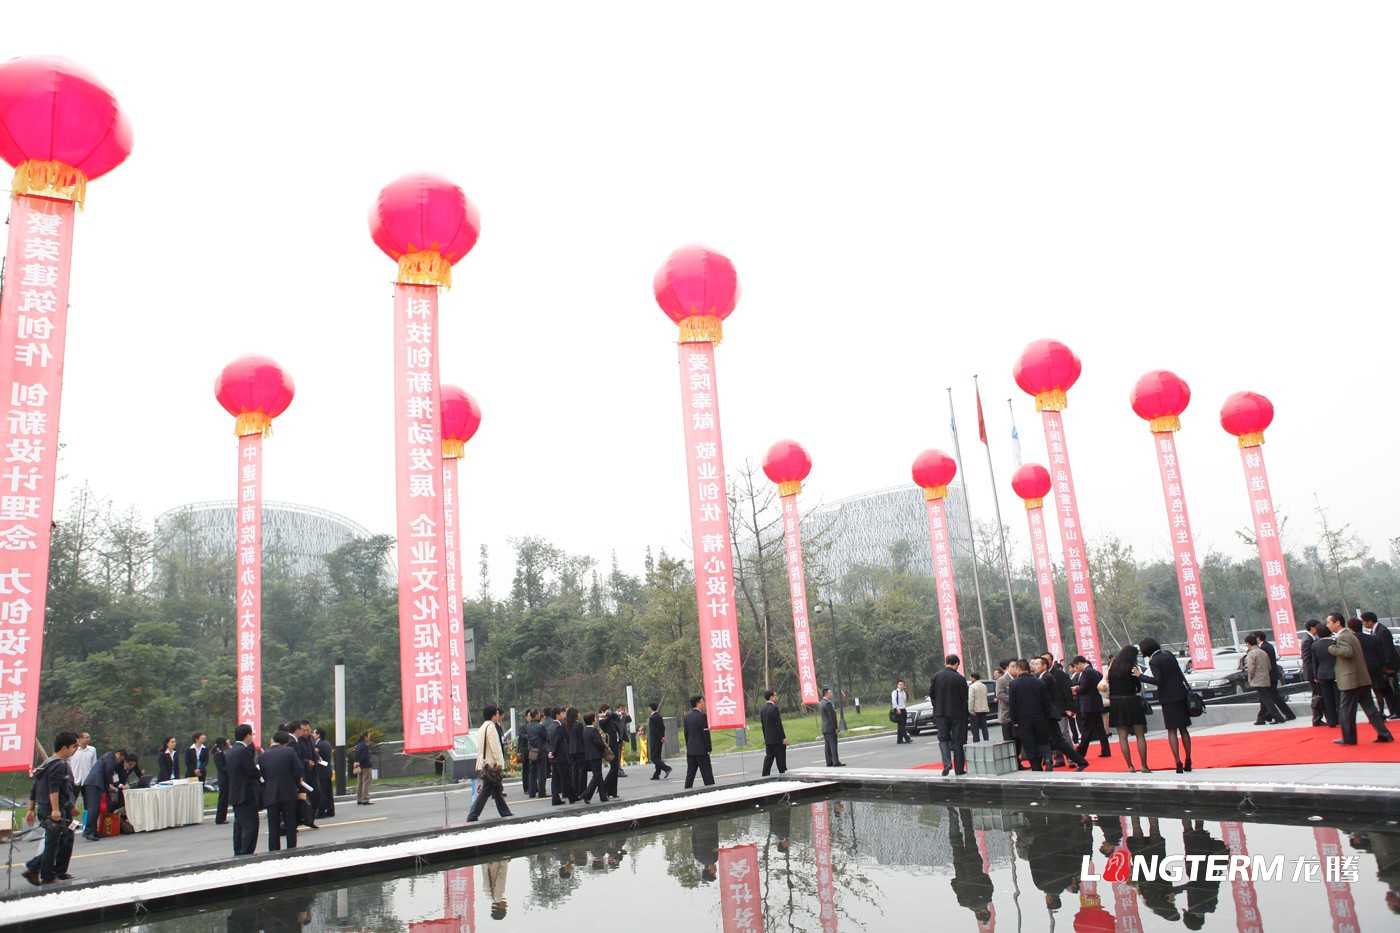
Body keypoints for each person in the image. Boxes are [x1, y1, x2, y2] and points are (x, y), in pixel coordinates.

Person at [22, 731, 80, 886]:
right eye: (74, 746)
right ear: (64, 748)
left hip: (54, 808)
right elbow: (53, 789)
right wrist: (56, 810)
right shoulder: (58, 765)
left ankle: (45, 870)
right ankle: (46, 875)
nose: (76, 750)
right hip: (53, 810)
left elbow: (35, 788)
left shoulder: (47, 764)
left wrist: (30, 809)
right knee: (54, 843)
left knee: (63, 840)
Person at [1329, 615, 1395, 745]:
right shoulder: (1351, 635)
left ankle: (1349, 738)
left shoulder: (1343, 636)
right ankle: (1384, 734)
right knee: (1370, 709)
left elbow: (1347, 652)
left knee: (1346, 711)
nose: (1327, 625)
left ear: (1337, 623)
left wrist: (1331, 648)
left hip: (1351, 680)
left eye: (1329, 622)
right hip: (1361, 678)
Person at [1142, 637, 1192, 773]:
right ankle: (1188, 759)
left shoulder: (1154, 661)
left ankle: (1178, 762)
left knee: (1172, 730)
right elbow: (1179, 673)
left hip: (1168, 698)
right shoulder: (1168, 655)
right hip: (1180, 694)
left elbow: (1158, 680)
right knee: (1183, 729)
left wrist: (1140, 676)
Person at [1107, 645, 1151, 772]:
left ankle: (1130, 766)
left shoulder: (1112, 668)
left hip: (1116, 703)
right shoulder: (1132, 668)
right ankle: (1144, 765)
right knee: (1140, 735)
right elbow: (1137, 687)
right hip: (1131, 701)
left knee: (1122, 736)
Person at [947, 806, 994, 924]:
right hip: (960, 867)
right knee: (955, 840)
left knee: (969, 834)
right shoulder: (963, 902)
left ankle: (964, 810)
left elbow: (987, 880)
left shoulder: (987, 898)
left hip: (974, 864)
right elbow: (954, 883)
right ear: (976, 915)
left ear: (986, 912)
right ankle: (952, 816)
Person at [468, 706, 515, 822]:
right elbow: (496, 747)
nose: (499, 716)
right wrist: (499, 762)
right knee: (487, 790)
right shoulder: (491, 728)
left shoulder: (482, 728)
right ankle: (472, 815)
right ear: (493, 715)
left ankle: (505, 812)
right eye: (497, 714)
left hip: (484, 762)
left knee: (497, 789)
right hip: (491, 763)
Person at [261, 731, 303, 851]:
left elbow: (263, 774)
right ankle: (291, 849)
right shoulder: (289, 751)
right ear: (285, 743)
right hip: (288, 793)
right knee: (290, 824)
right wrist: (294, 783)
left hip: (271, 794)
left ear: (273, 740)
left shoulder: (263, 755)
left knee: (273, 826)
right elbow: (298, 770)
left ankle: (274, 851)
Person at [930, 654, 970, 776]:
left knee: (943, 739)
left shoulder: (935, 677)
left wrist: (937, 707)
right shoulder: (960, 678)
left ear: (946, 663)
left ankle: (947, 763)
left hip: (941, 714)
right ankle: (959, 769)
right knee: (958, 741)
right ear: (957, 664)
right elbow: (964, 698)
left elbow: (932, 694)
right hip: (957, 715)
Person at [227, 724, 262, 855]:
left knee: (239, 826)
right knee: (251, 826)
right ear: (247, 735)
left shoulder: (231, 751)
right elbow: (251, 770)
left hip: (236, 793)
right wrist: (260, 772)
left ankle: (238, 852)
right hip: (245, 794)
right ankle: (246, 853)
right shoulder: (244, 750)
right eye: (251, 735)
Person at [1036, 655, 1077, 767]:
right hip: (1049, 711)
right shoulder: (1039, 676)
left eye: (1048, 659)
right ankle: (1058, 759)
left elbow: (1066, 690)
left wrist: (1070, 707)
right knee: (1054, 735)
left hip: (1060, 708)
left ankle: (1071, 758)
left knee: (1064, 734)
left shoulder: (1058, 673)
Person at [79, 747, 125, 841]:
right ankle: (88, 831)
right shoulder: (110, 756)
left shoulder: (108, 757)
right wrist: (111, 784)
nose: (119, 762)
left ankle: (93, 830)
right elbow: (109, 770)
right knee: (93, 808)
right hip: (94, 783)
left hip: (96, 784)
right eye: (120, 759)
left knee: (96, 808)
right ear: (118, 754)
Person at [1360, 611, 1400, 719]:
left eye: (1364, 622)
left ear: (1370, 621)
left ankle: (1397, 710)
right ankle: (1393, 710)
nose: (1363, 624)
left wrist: (1388, 666)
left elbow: (1388, 651)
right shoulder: (1375, 631)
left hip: (1389, 666)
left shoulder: (1382, 631)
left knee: (1393, 689)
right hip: (1382, 667)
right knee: (1387, 690)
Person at [1070, 655, 1111, 758]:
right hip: (1095, 704)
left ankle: (1080, 752)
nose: (1076, 669)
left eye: (1076, 666)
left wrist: (1076, 689)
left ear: (1080, 663)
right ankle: (1106, 750)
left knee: (1086, 730)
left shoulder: (1087, 672)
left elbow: (1084, 688)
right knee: (1100, 729)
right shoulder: (1093, 671)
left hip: (1089, 705)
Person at [1254, 631, 1295, 722]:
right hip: (1271, 675)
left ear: (1258, 638)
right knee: (1270, 696)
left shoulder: (1264, 647)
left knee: (1272, 697)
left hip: (1270, 676)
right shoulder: (1267, 646)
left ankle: (1278, 716)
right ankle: (1266, 717)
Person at [1245, 634, 1285, 725]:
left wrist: (1250, 678)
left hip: (1257, 679)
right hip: (1266, 677)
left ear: (1248, 643)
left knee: (1266, 699)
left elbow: (1251, 668)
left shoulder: (1252, 653)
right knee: (1263, 699)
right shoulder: (1262, 652)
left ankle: (1278, 717)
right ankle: (1261, 719)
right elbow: (1269, 666)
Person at [994, 659, 1023, 768]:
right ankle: (1011, 764)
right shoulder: (1002, 680)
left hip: (1018, 715)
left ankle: (1018, 762)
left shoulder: (1020, 679)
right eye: (1013, 666)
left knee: (1018, 739)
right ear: (1008, 667)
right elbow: (1000, 695)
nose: (1015, 669)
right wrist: (1015, 699)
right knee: (1009, 740)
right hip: (1006, 715)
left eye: (1017, 666)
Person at [683, 694, 715, 787]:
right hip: (701, 750)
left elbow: (686, 734)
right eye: (702, 702)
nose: (704, 704)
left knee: (690, 773)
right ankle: (711, 790)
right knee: (706, 773)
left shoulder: (687, 717)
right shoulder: (702, 716)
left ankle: (687, 790)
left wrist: (688, 746)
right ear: (698, 703)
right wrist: (709, 749)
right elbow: (705, 734)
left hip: (691, 750)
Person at [1313, 622, 1341, 726]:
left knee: (1327, 698)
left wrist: (1316, 675)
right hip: (1336, 673)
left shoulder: (1315, 645)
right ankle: (1342, 719)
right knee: (1338, 697)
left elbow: (1314, 662)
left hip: (1322, 674)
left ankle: (1331, 721)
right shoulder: (1335, 642)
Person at [580, 712, 610, 804]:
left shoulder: (585, 730)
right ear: (593, 720)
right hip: (595, 755)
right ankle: (586, 794)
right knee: (596, 776)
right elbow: (597, 743)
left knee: (598, 775)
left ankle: (603, 796)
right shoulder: (594, 731)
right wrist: (603, 743)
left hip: (588, 755)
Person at [1301, 619, 1325, 726]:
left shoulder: (1313, 638)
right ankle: (1316, 718)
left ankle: (1319, 717)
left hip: (1315, 672)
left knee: (1318, 694)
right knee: (1316, 696)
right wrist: (1315, 673)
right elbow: (1306, 659)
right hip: (1312, 673)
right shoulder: (1307, 640)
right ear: (1312, 628)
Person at [760, 689, 788, 775]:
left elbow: (763, 726)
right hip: (777, 739)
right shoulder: (774, 708)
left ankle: (765, 775)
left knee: (769, 758)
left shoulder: (763, 710)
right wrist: (783, 738)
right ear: (771, 697)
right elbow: (778, 725)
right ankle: (783, 773)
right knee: (780, 758)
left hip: (768, 739)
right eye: (775, 695)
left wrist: (766, 738)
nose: (776, 697)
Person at [599, 705, 624, 799]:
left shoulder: (610, 718)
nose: (609, 711)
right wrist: (604, 715)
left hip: (616, 743)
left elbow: (614, 717)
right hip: (611, 745)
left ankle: (612, 791)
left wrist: (609, 714)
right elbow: (608, 718)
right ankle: (604, 787)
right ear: (602, 711)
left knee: (615, 768)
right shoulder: (602, 721)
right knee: (613, 767)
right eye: (607, 710)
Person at [819, 685, 845, 767]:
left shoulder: (821, 703)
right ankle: (835, 762)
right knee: (833, 745)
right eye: (830, 693)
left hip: (825, 727)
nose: (832, 694)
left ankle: (829, 761)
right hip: (830, 728)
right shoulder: (827, 704)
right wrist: (836, 728)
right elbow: (832, 717)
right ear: (826, 694)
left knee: (827, 746)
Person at [312, 728, 335, 817]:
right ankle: (330, 809)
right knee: (329, 792)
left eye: (314, 733)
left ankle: (322, 811)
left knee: (323, 792)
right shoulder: (327, 743)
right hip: (327, 771)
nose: (312, 735)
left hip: (321, 772)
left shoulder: (319, 745)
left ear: (318, 735)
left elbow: (317, 757)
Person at [646, 701, 672, 780]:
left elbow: (654, 730)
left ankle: (666, 768)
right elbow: (662, 728)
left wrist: (660, 737)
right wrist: (662, 737)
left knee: (654, 758)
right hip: (660, 739)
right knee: (657, 757)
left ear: (650, 708)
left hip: (655, 740)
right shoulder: (659, 716)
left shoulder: (652, 718)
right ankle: (656, 774)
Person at [212, 737, 231, 824]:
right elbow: (221, 767)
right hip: (223, 778)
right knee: (223, 798)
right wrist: (230, 770)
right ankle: (219, 818)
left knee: (225, 798)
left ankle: (223, 817)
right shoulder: (218, 753)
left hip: (225, 778)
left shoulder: (222, 752)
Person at [967, 673, 990, 743]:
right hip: (984, 710)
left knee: (975, 728)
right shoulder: (984, 686)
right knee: (984, 727)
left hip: (975, 711)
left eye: (971, 678)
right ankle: (986, 741)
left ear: (974, 678)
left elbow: (971, 699)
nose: (970, 679)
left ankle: (977, 742)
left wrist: (971, 710)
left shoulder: (972, 687)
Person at [353, 730, 374, 805]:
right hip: (366, 765)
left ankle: (359, 798)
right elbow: (365, 756)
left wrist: (356, 762)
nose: (369, 738)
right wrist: (360, 762)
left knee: (360, 783)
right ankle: (365, 799)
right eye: (368, 736)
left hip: (360, 766)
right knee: (366, 782)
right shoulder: (365, 745)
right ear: (365, 737)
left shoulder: (358, 745)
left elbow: (356, 755)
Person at [891, 679, 911, 744]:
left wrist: (904, 708)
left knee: (901, 725)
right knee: (902, 725)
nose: (901, 685)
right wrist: (897, 708)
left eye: (902, 684)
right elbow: (894, 701)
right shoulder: (895, 692)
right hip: (898, 710)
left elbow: (904, 701)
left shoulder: (903, 692)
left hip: (903, 709)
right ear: (897, 685)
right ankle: (907, 738)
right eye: (900, 684)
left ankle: (899, 740)